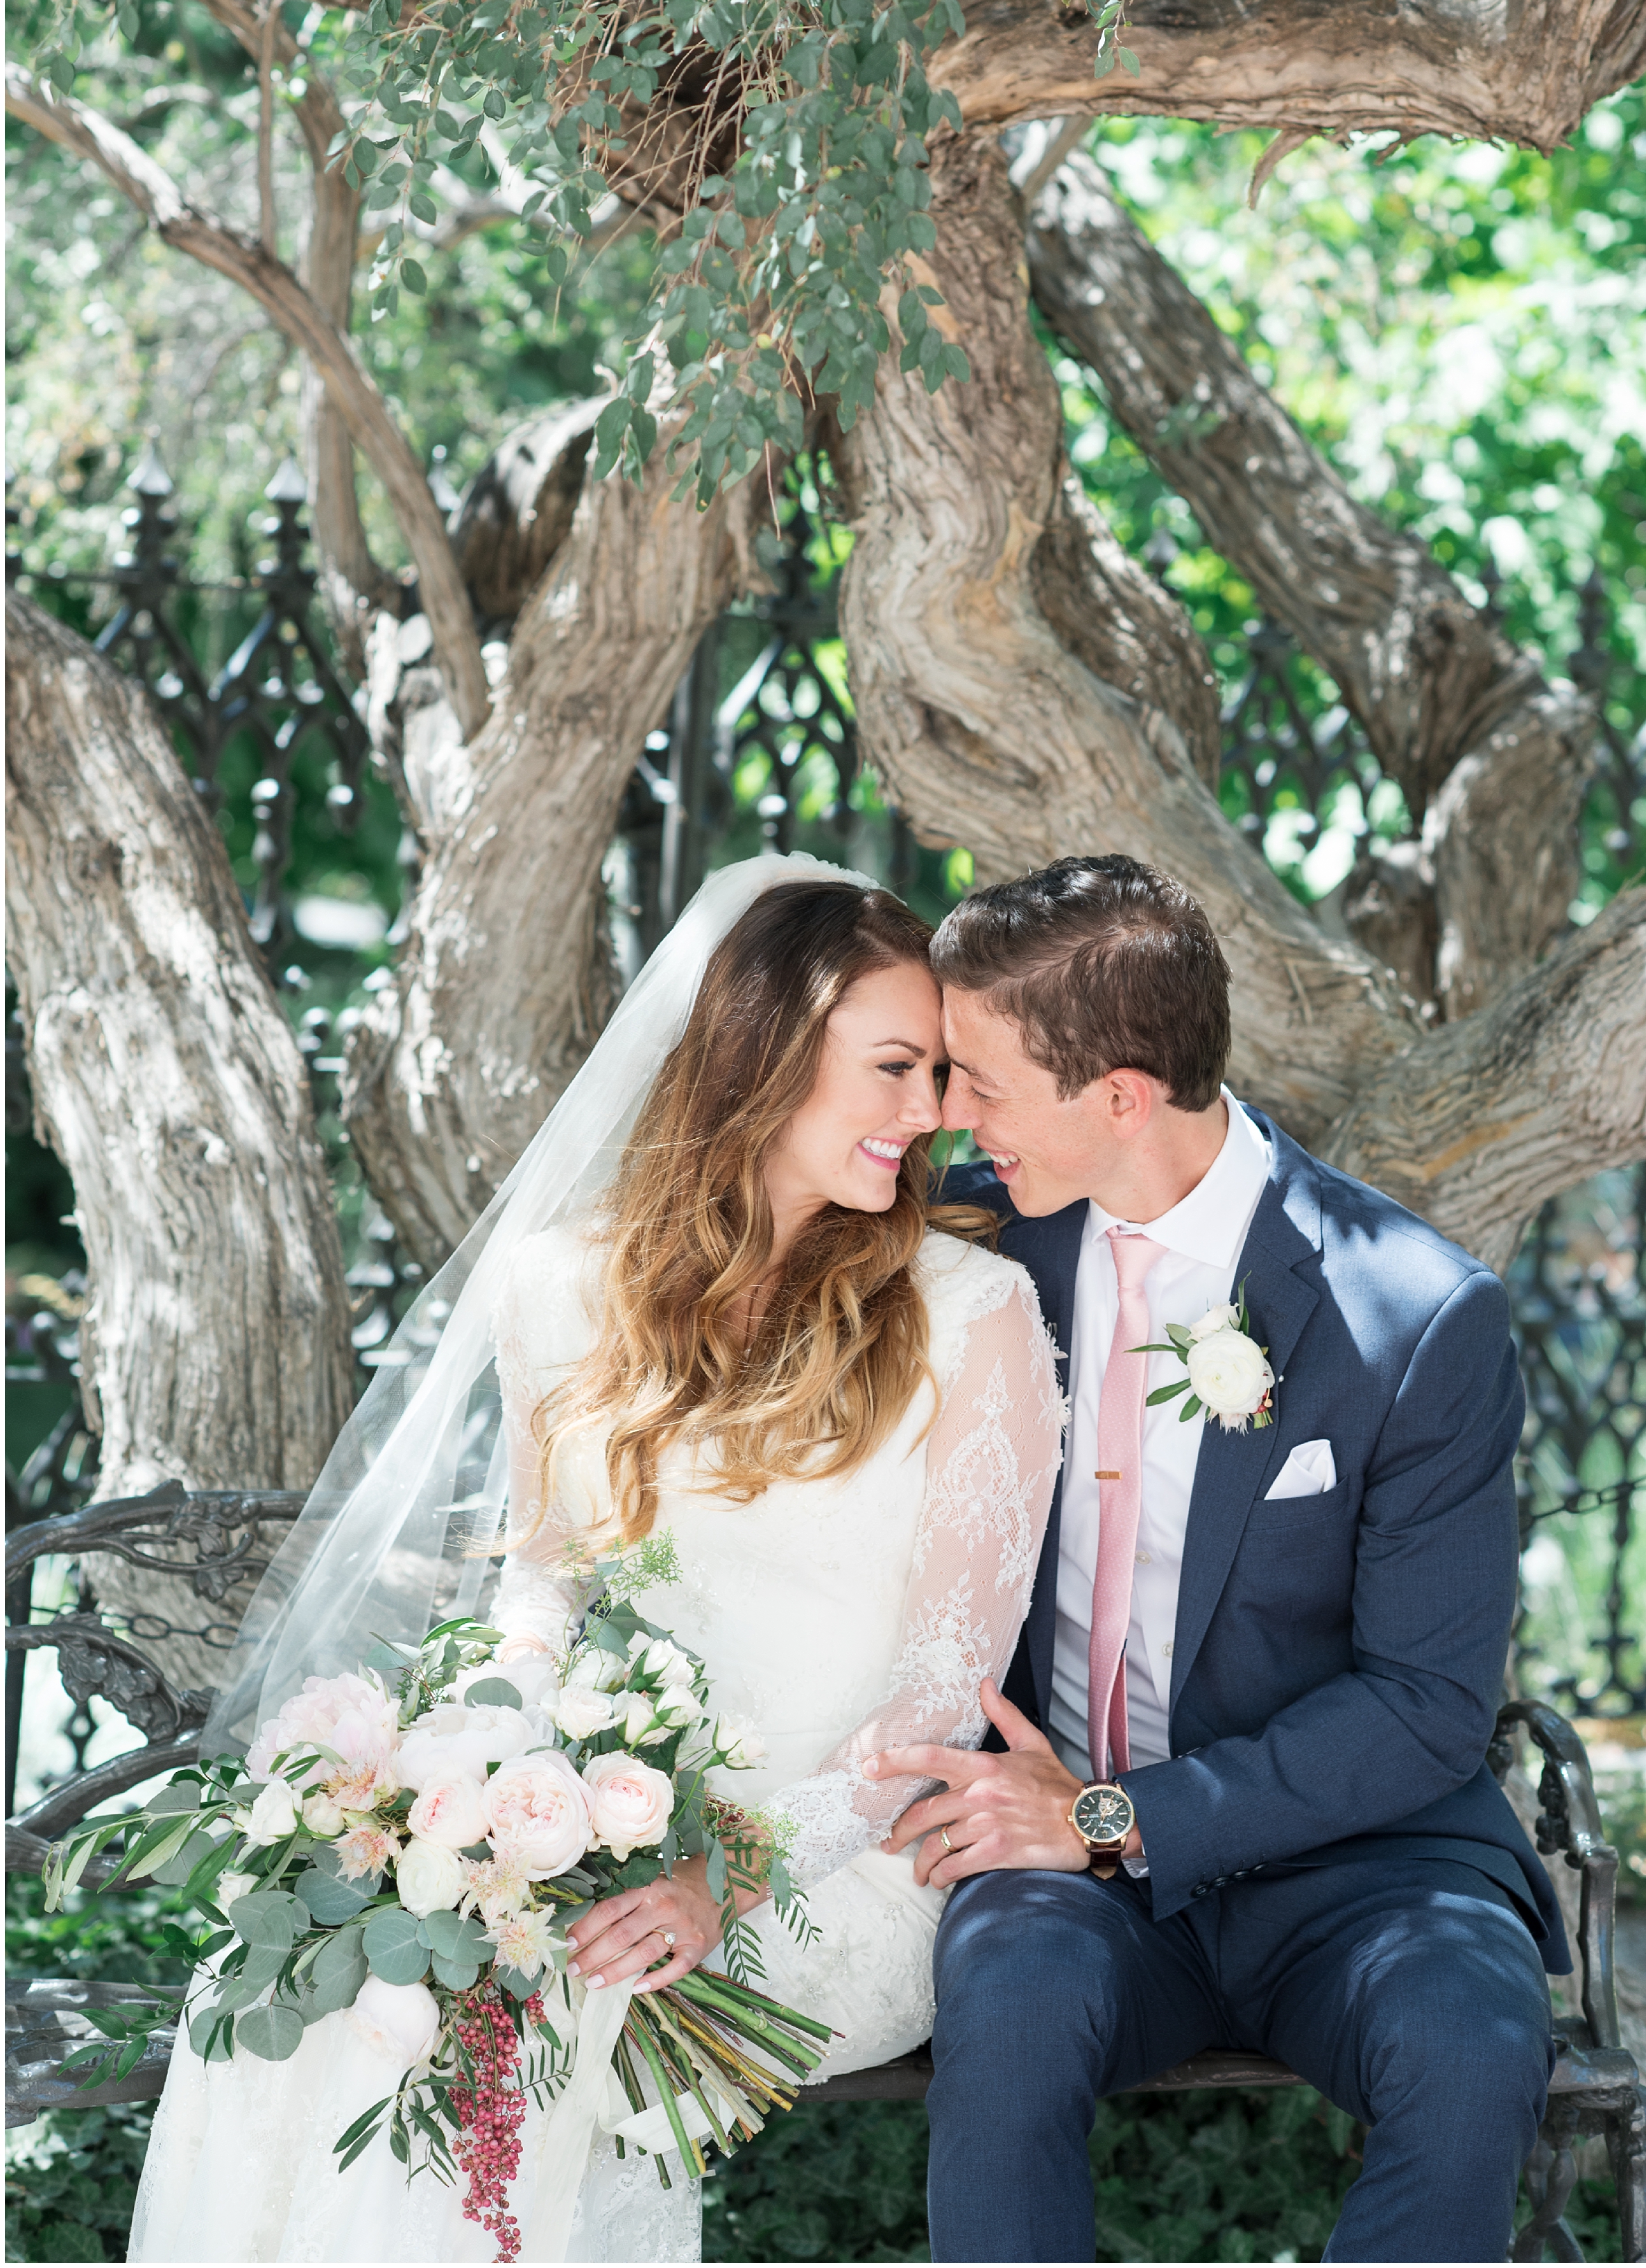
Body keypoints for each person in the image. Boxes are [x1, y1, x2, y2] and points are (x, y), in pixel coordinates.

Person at [130, 858, 1063, 2265]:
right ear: (761, 1052)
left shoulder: (970, 1313)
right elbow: (543, 1580)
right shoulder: (557, 1281)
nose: (930, 1112)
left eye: (938, 1071)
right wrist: (475, 1798)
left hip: (835, 1874)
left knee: (519, 2019)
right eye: (893, 1066)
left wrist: (717, 1881)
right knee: (311, 1990)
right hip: (593, 1828)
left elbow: (937, 1699)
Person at [866, 853, 1571, 2267]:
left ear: (1118, 1096)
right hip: (1058, 1864)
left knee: (1467, 2043)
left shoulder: (1416, 1317)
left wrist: (1116, 1817)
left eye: (978, 1082)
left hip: (1362, 1866)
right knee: (1003, 2007)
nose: (946, 1113)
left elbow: (1425, 1705)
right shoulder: (962, 1235)